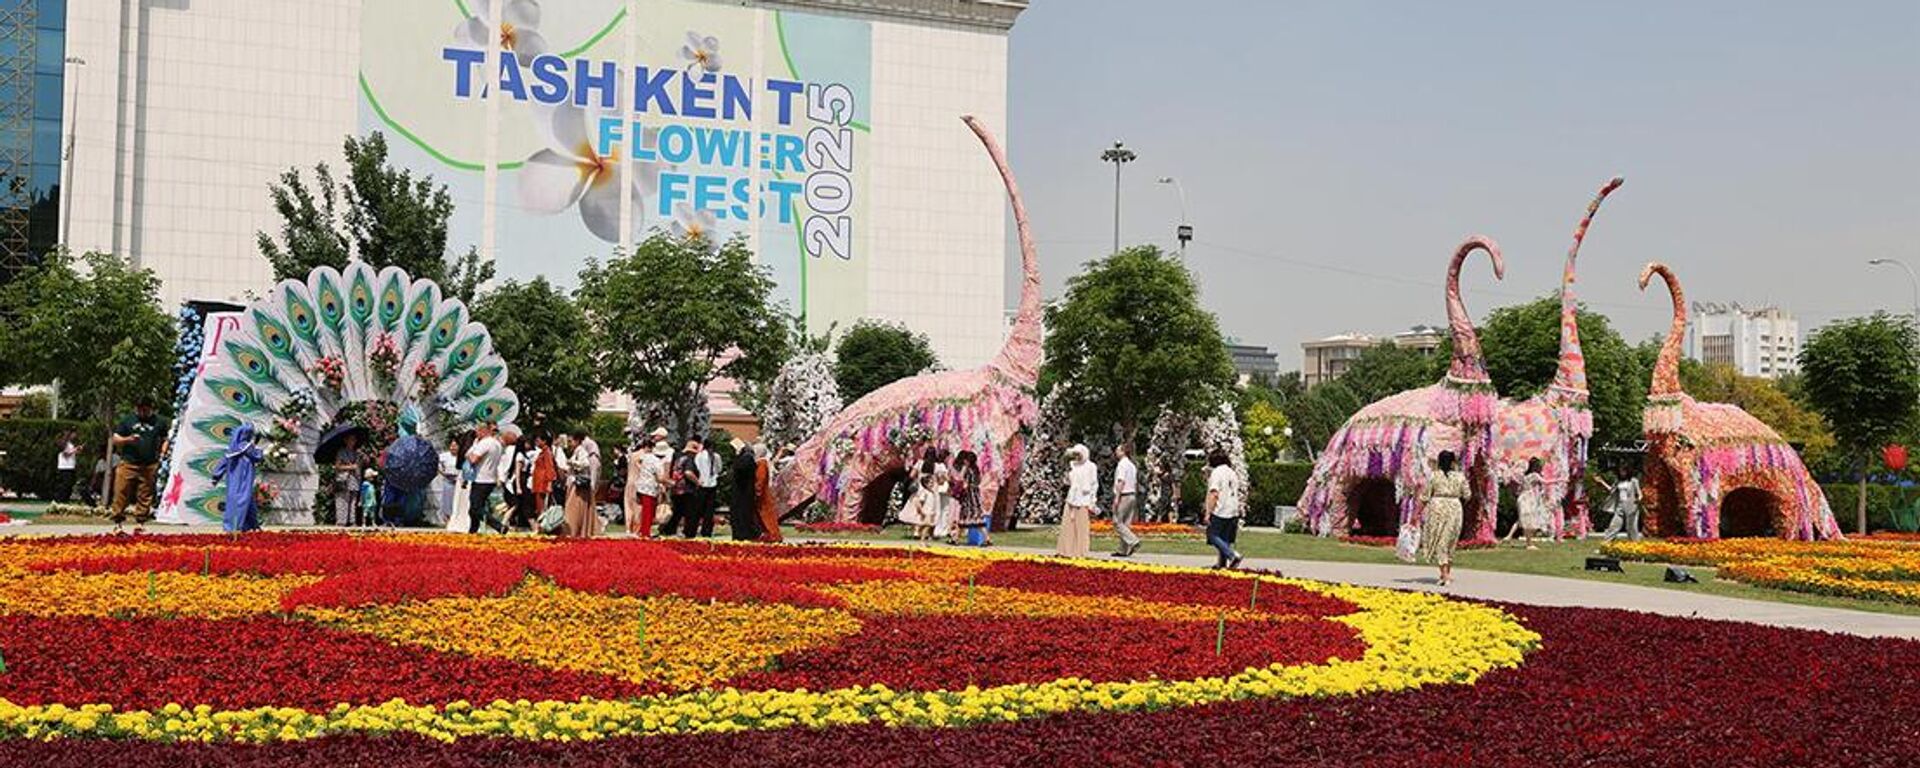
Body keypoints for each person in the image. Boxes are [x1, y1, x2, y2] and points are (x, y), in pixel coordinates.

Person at [108, 397, 169, 532]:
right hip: (128, 463)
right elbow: (115, 439)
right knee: (121, 492)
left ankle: (140, 523)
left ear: (151, 408)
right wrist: (127, 439)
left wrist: (163, 453)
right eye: (140, 408)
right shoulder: (128, 420)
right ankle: (118, 523)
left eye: (145, 409)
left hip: (149, 465)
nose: (142, 411)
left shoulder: (159, 421)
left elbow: (165, 439)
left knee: (145, 494)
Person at [1418, 450, 1470, 586]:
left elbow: (1424, 496)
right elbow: (1467, 494)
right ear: (1453, 462)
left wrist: (1416, 514)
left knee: (1441, 539)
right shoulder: (1460, 477)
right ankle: (1445, 574)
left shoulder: (1433, 476)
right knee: (1450, 539)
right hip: (1454, 507)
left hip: (1438, 506)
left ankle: (1444, 574)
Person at [211, 423, 263, 533]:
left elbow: (222, 463)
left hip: (233, 481)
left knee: (240, 501)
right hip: (244, 480)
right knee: (242, 501)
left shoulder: (232, 449)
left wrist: (216, 476)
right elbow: (258, 456)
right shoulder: (247, 448)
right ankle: (235, 526)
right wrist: (256, 446)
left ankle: (248, 525)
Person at [1204, 449, 1243, 569]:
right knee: (1224, 538)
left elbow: (1214, 493)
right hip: (1233, 509)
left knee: (1212, 535)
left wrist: (1208, 512)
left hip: (1221, 509)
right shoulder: (1232, 472)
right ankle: (1222, 564)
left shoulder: (1217, 472)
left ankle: (1232, 555)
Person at [465, 423, 507, 534]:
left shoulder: (484, 443)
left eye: (477, 432)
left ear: (483, 431)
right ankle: (473, 530)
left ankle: (499, 526)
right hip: (490, 478)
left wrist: (469, 454)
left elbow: (473, 459)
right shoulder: (497, 444)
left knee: (476, 507)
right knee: (474, 507)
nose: (476, 434)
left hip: (481, 479)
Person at [627, 437, 669, 538]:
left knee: (645, 511)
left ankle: (643, 531)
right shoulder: (657, 462)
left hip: (641, 487)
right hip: (650, 489)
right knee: (648, 512)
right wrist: (670, 483)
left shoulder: (646, 457)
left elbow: (638, 461)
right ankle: (645, 533)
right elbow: (660, 478)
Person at [1059, 444, 1096, 558]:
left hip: (1083, 499)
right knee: (1068, 525)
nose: (1077, 457)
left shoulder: (1091, 466)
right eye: (1075, 455)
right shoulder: (1073, 465)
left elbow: (1094, 484)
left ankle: (1080, 551)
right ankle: (1066, 550)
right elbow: (1069, 482)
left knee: (1081, 527)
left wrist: (1092, 501)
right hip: (1072, 498)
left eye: (1079, 454)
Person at [1505, 457, 1549, 550]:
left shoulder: (1525, 476)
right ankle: (1529, 544)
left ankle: (1510, 536)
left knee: (1522, 520)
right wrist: (1561, 479)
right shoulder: (1535, 475)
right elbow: (1546, 482)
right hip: (1528, 499)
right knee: (1529, 521)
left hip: (1523, 498)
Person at [564, 428, 600, 538]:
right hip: (576, 483)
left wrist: (572, 463)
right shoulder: (578, 451)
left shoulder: (582, 451)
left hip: (579, 485)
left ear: (577, 440)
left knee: (573, 509)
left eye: (571, 441)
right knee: (575, 508)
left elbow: (585, 464)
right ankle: (576, 530)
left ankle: (574, 530)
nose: (570, 444)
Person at [898, 447, 939, 541]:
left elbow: (911, 475)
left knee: (917, 510)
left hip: (920, 489)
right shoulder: (936, 465)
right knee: (929, 510)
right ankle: (928, 533)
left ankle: (916, 531)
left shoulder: (920, 463)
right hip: (932, 491)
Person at [1110, 443, 1142, 558]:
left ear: (1123, 451)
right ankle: (1123, 550)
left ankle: (1134, 541)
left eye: (1118, 450)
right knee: (1126, 524)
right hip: (1132, 494)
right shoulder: (1132, 465)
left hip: (1124, 495)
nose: (1115, 452)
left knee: (1117, 522)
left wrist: (1116, 497)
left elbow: (1121, 481)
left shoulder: (1122, 464)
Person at [952, 450, 989, 546]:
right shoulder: (976, 470)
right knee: (978, 520)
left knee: (964, 518)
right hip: (976, 495)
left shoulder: (967, 470)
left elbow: (960, 479)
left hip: (968, 496)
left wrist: (964, 468)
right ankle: (987, 539)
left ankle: (955, 539)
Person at [674, 438, 707, 538]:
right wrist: (698, 482)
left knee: (678, 512)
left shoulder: (679, 458)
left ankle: (669, 530)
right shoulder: (690, 459)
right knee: (691, 513)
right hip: (688, 489)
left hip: (678, 488)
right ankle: (688, 533)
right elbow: (688, 473)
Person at [1600, 465, 1644, 542]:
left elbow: (1639, 493)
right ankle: (1606, 544)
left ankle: (1635, 545)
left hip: (1631, 505)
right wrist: (1602, 482)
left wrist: (1639, 499)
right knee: (1614, 525)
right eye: (1620, 471)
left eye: (1623, 471)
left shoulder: (1634, 481)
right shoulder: (1618, 481)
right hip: (1620, 505)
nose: (1621, 473)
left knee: (1631, 527)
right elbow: (1611, 490)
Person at [729, 438, 761, 541]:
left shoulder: (746, 458)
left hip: (743, 491)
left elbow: (740, 471)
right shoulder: (744, 458)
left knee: (743, 514)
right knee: (739, 514)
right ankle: (741, 534)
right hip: (741, 491)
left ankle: (743, 535)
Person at [332, 432, 365, 527]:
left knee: (353, 501)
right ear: (346, 440)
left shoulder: (357, 453)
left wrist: (361, 459)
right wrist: (350, 467)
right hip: (344, 479)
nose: (353, 441)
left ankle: (352, 521)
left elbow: (359, 466)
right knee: (342, 500)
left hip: (354, 480)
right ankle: (341, 521)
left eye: (354, 439)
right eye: (351, 439)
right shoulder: (341, 452)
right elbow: (337, 466)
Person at [497, 428, 525, 530]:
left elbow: (500, 465)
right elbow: (517, 471)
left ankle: (509, 523)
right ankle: (504, 522)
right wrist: (518, 486)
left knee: (511, 503)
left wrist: (500, 478)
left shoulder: (507, 450)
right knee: (515, 504)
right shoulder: (519, 454)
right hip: (512, 481)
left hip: (506, 480)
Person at [694, 436, 720, 538]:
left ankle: (696, 529)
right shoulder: (716, 456)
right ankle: (706, 530)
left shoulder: (699, 456)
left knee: (699, 509)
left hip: (703, 484)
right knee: (708, 510)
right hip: (710, 484)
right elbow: (719, 469)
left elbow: (696, 467)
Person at [755, 443, 781, 543]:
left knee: (767, 516)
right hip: (764, 493)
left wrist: (757, 491)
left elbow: (760, 479)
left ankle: (774, 535)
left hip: (763, 494)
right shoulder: (763, 462)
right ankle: (769, 534)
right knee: (764, 516)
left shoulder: (761, 463)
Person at [436, 439, 460, 525]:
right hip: (448, 480)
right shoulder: (444, 456)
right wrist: (443, 473)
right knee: (447, 501)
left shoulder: (461, 456)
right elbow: (438, 466)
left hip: (458, 481)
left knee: (457, 501)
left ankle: (456, 520)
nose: (453, 448)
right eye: (452, 446)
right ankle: (448, 519)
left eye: (455, 446)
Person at [54, 429, 79, 503]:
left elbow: (71, 453)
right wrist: (75, 450)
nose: (75, 436)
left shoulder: (70, 444)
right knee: (65, 485)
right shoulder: (64, 444)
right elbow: (66, 454)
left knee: (69, 485)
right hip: (65, 467)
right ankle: (60, 499)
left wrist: (76, 450)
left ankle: (65, 499)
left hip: (71, 466)